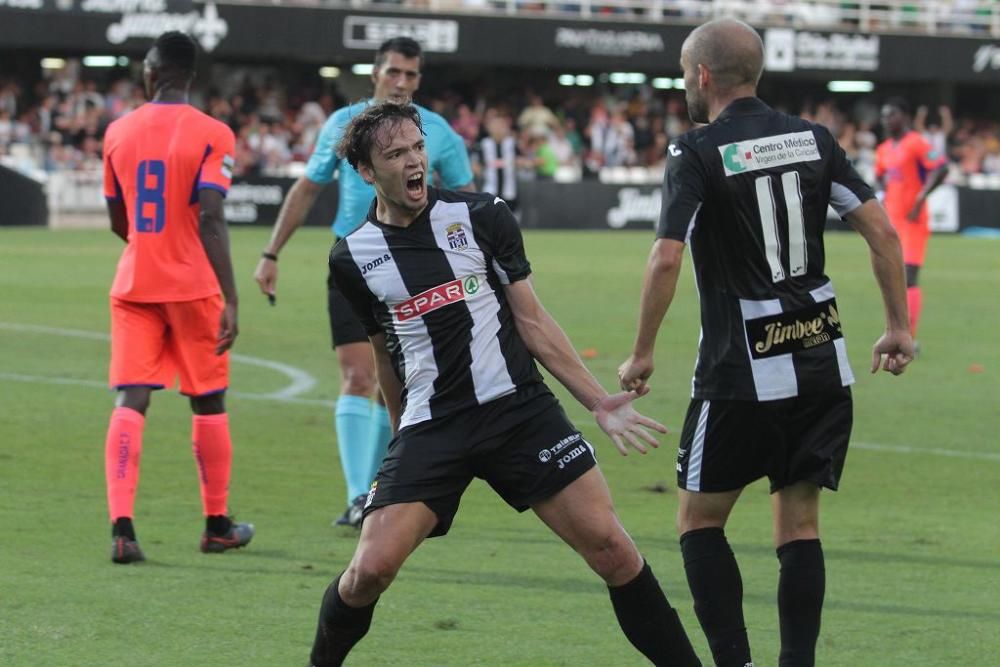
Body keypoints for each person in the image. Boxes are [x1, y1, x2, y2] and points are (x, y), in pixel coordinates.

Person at [310, 102, 702, 667]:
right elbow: (384, 354)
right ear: (367, 172)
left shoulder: (482, 215)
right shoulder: (352, 257)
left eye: (417, 148)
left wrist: (598, 403)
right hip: (433, 427)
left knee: (613, 550)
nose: (413, 162)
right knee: (368, 572)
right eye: (395, 155)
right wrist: (401, 440)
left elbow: (533, 322)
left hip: (519, 411)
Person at [618, 19, 914, 667]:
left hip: (740, 369)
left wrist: (641, 351)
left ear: (701, 76)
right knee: (800, 524)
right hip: (821, 356)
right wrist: (898, 326)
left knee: (699, 521)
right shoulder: (814, 140)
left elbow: (665, 258)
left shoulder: (695, 151)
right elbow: (884, 234)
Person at [253, 37, 473, 528]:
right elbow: (309, 186)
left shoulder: (437, 132)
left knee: (400, 385)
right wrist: (271, 253)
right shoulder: (342, 124)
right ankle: (359, 497)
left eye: (411, 75)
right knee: (358, 376)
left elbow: (465, 200)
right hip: (352, 268)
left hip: (417, 272)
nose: (401, 82)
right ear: (375, 73)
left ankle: (391, 487)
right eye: (393, 71)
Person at [101, 31, 254, 564]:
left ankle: (122, 529)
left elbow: (118, 217)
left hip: (135, 284)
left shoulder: (118, 131)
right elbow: (211, 215)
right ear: (189, 76)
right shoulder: (215, 133)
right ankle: (216, 525)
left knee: (132, 399)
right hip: (193, 287)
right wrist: (231, 296)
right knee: (207, 400)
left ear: (152, 71)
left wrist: (149, 247)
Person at [876, 98, 948, 342]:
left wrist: (919, 199)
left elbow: (941, 168)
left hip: (913, 222)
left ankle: (909, 335)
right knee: (893, 277)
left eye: (892, 115)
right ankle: (897, 329)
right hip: (891, 223)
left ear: (905, 117)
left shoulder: (916, 143)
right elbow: (880, 178)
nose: (887, 120)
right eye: (884, 116)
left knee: (910, 277)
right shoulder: (884, 149)